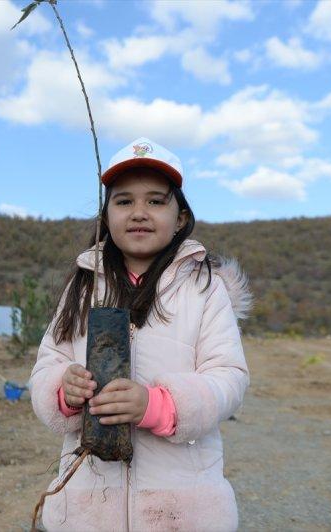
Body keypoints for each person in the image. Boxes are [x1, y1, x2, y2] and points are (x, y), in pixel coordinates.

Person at [30, 137, 251, 531]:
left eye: (155, 200)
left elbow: (229, 377)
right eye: (124, 201)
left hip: (181, 509)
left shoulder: (205, 288)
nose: (139, 212)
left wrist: (156, 405)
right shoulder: (83, 286)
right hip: (88, 507)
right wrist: (64, 391)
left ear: (180, 216)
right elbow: (49, 363)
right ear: (106, 215)